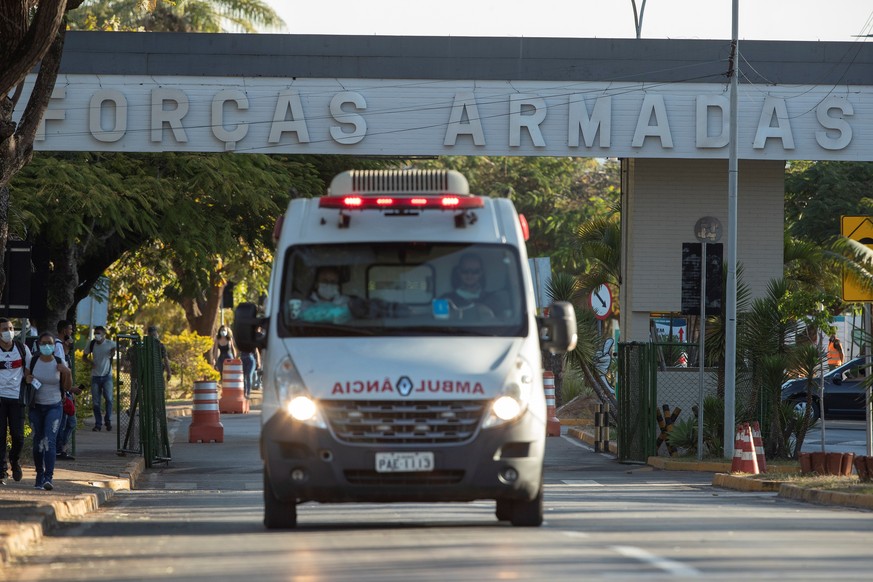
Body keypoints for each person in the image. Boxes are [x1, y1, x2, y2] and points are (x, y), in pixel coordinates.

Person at [25, 332, 72, 490]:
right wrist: (28, 379)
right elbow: (26, 377)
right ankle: (39, 475)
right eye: (44, 343)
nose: (47, 346)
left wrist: (67, 372)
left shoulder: (59, 362)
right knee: (38, 441)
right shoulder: (33, 361)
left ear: (53, 346)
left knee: (49, 441)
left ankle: (48, 477)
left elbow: (66, 387)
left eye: (50, 343)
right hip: (36, 406)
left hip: (54, 405)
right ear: (39, 344)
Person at [0, 318, 31, 484]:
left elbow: (28, 369)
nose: (9, 331)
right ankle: (2, 470)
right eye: (5, 328)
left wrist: (28, 376)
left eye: (11, 328)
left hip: (16, 398)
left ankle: (15, 460)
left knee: (18, 436)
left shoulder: (22, 349)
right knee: (0, 436)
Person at [441, 253, 497, 320]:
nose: (469, 275)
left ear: (481, 273)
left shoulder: (493, 299)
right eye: (465, 271)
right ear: (459, 272)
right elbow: (439, 325)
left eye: (475, 271)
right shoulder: (444, 300)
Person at [83, 325, 117, 432]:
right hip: (95, 377)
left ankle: (108, 420)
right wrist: (90, 362)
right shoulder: (92, 344)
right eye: (95, 333)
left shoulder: (109, 343)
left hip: (107, 376)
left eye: (98, 333)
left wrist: (113, 352)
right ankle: (98, 424)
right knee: (96, 402)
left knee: (109, 399)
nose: (96, 335)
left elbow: (117, 349)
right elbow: (84, 356)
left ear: (103, 335)